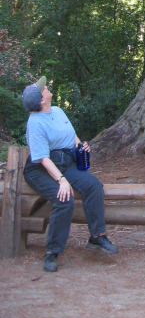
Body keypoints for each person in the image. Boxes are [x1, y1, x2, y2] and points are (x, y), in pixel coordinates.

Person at [22, 76, 118, 272]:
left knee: (93, 185)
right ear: (41, 100)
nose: (47, 87)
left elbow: (71, 135)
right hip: (42, 169)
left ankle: (97, 237)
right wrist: (62, 180)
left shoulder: (57, 111)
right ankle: (52, 251)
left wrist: (80, 145)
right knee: (64, 198)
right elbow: (43, 158)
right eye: (44, 88)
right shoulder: (35, 123)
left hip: (67, 162)